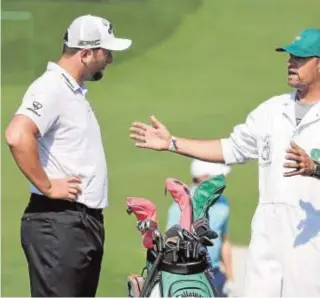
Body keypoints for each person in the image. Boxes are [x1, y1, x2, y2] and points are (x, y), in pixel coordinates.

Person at [129, 28, 320, 296]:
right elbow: (230, 148)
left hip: (312, 239)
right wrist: (172, 142)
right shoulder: (272, 111)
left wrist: (315, 169)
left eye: (300, 58)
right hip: (267, 236)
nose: (291, 62)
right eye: (290, 56)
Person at [5, 14, 132, 297]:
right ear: (85, 53)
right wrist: (48, 186)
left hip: (76, 225)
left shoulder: (72, 92)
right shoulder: (51, 87)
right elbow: (17, 135)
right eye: (106, 52)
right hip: (58, 225)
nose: (110, 59)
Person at [166, 159, 234, 297]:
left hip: (215, 273)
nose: (222, 182)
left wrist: (230, 278)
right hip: (189, 275)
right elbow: (170, 245)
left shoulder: (223, 203)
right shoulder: (180, 206)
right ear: (203, 178)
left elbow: (224, 242)